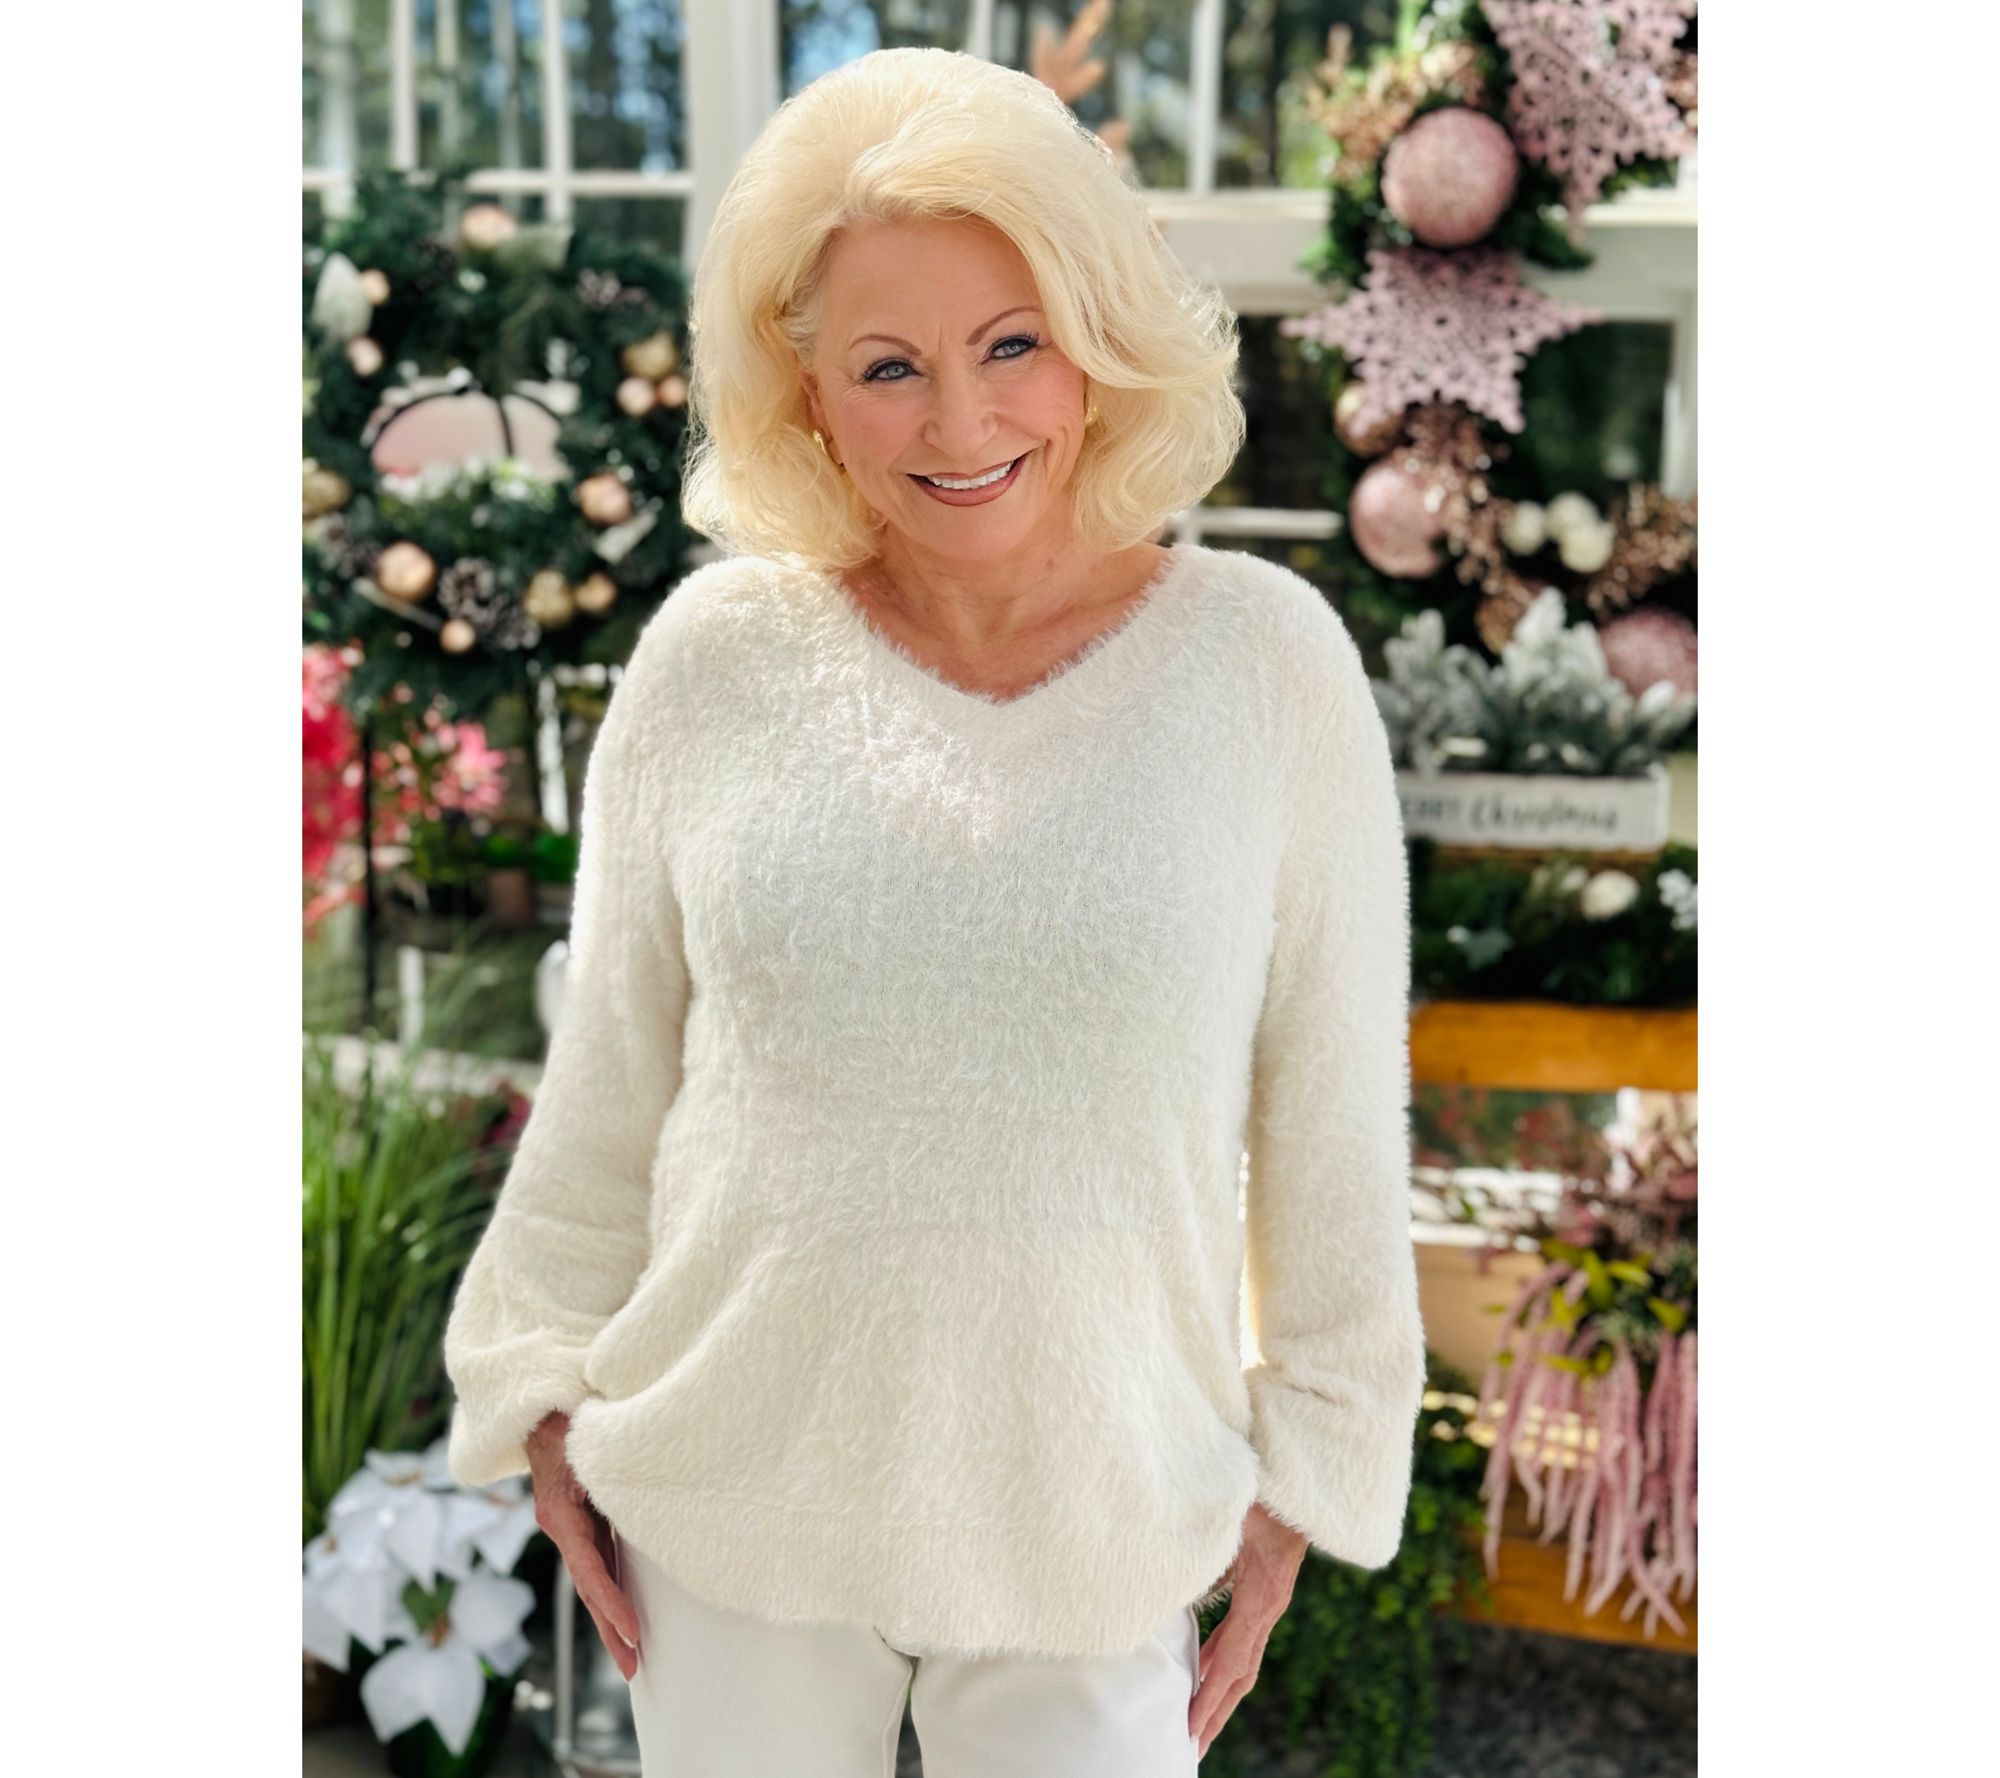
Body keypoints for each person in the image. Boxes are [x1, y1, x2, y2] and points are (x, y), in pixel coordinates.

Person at [442, 45, 1426, 1777]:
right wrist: (533, 1379)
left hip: (1106, 1512)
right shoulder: (712, 664)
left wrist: (1317, 1464)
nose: (961, 424)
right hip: (728, 1508)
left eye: (1012, 345)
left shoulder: (1267, 665)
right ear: (809, 397)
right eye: (888, 367)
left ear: (1099, 343)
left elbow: (1335, 1107)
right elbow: (612, 1073)